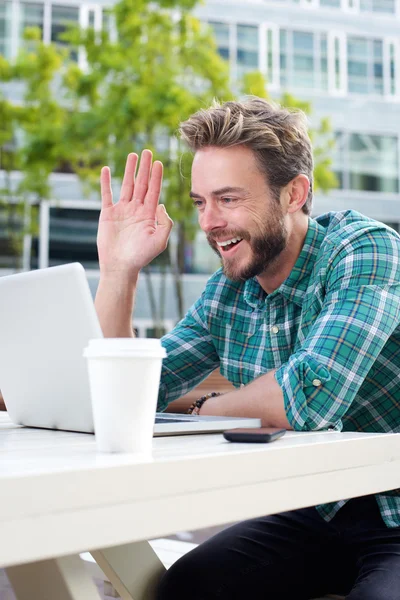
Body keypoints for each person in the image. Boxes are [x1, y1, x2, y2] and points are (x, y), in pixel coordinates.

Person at [95, 97, 400, 600]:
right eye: (200, 202)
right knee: (186, 589)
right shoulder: (229, 290)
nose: (210, 222)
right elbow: (124, 395)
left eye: (229, 199)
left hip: (393, 511)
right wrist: (118, 270)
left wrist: (202, 408)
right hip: (320, 507)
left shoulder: (364, 250)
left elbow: (308, 397)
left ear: (294, 193)